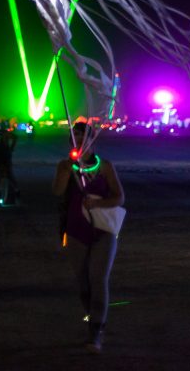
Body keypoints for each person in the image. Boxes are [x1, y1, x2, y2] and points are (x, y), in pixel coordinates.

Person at [52, 121, 125, 354]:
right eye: (75, 140)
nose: (80, 144)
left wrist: (98, 203)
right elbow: (57, 191)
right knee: (83, 283)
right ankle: (92, 316)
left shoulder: (104, 167)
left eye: (84, 139)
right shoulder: (66, 166)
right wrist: (68, 169)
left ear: (93, 141)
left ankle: (96, 332)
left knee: (99, 279)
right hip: (75, 231)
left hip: (103, 230)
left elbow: (119, 197)